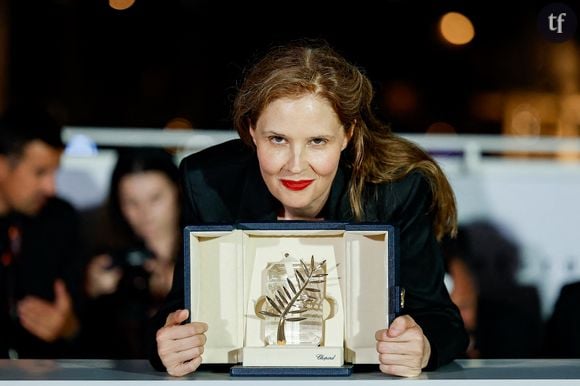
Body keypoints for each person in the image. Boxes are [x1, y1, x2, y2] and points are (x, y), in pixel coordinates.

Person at [148, 40, 468, 377]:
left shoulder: (397, 189)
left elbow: (442, 320)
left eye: (317, 141)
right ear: (252, 131)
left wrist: (421, 347)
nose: (296, 166)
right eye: (278, 140)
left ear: (347, 134)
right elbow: (177, 311)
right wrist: (169, 344)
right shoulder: (208, 183)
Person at [0, 105, 85, 358]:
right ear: (2, 166)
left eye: (54, 172)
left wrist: (68, 327)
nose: (51, 187)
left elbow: (85, 325)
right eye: (40, 173)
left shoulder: (60, 220)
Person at [81, 147, 180, 358]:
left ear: (178, 193)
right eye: (131, 202)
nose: (143, 213)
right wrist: (90, 289)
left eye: (155, 199)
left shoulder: (204, 250)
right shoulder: (109, 254)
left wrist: (183, 285)